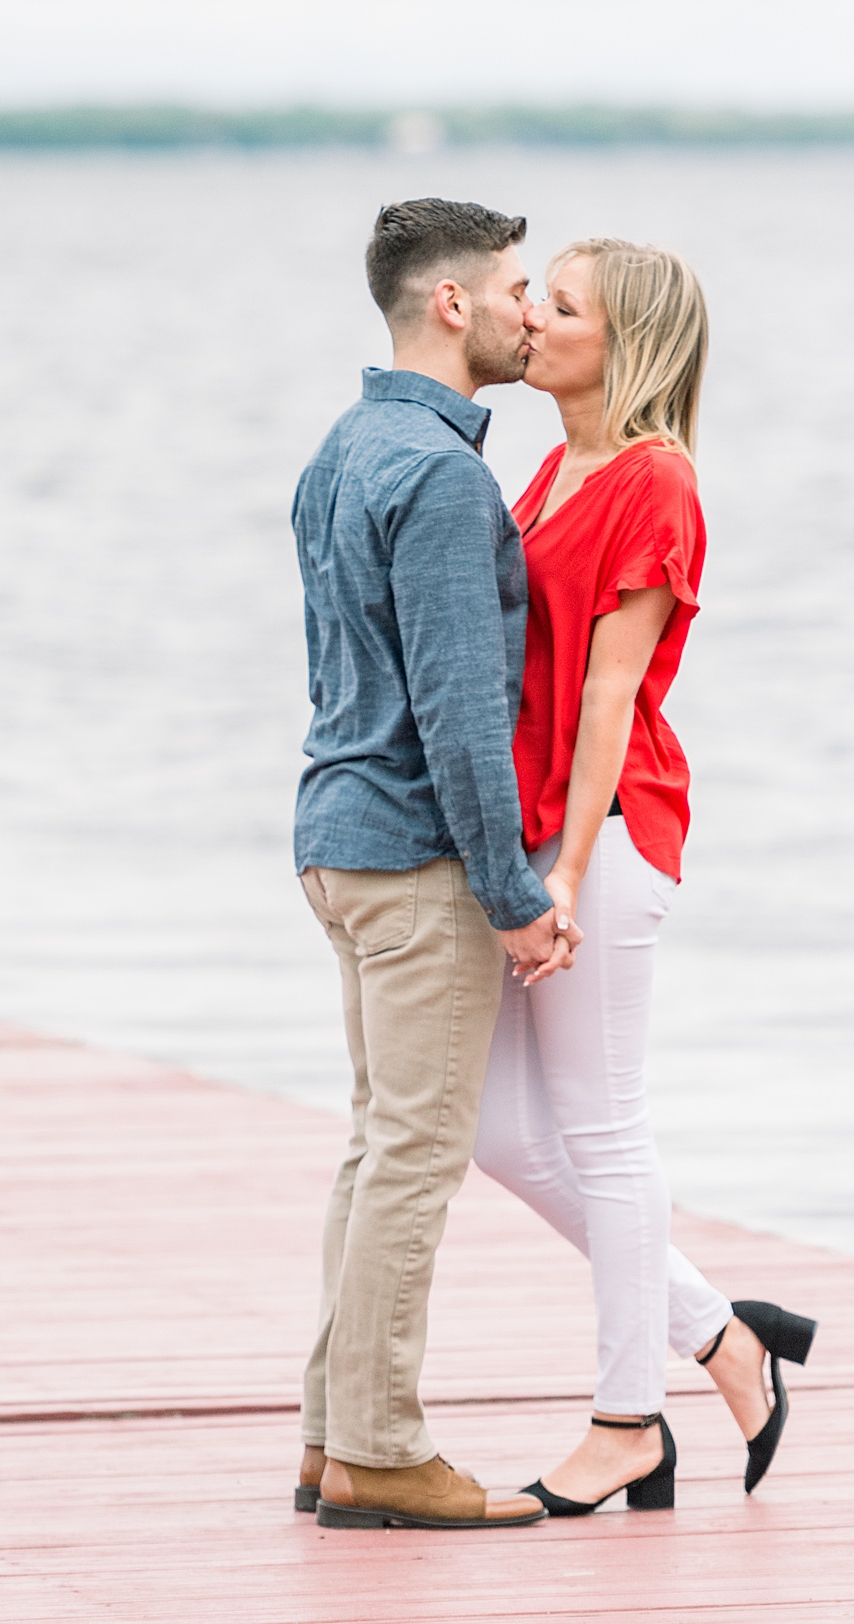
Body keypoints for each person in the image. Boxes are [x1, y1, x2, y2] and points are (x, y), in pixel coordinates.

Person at [472, 237, 818, 1513]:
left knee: (604, 1129)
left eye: (559, 307)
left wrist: (559, 873)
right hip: (530, 833)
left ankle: (630, 1419)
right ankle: (728, 1340)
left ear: (625, 344)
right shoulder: (558, 464)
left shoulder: (656, 483)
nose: (532, 318)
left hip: (604, 832)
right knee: (496, 1128)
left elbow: (609, 692)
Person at [290, 198, 575, 1532]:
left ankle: (331, 1440)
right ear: (449, 304)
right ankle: (383, 1450)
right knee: (410, 1158)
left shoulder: (343, 448)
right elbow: (461, 719)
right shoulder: (446, 479)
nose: (535, 310)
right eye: (518, 287)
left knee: (374, 1151)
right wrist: (515, 896)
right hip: (413, 857)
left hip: (337, 841)